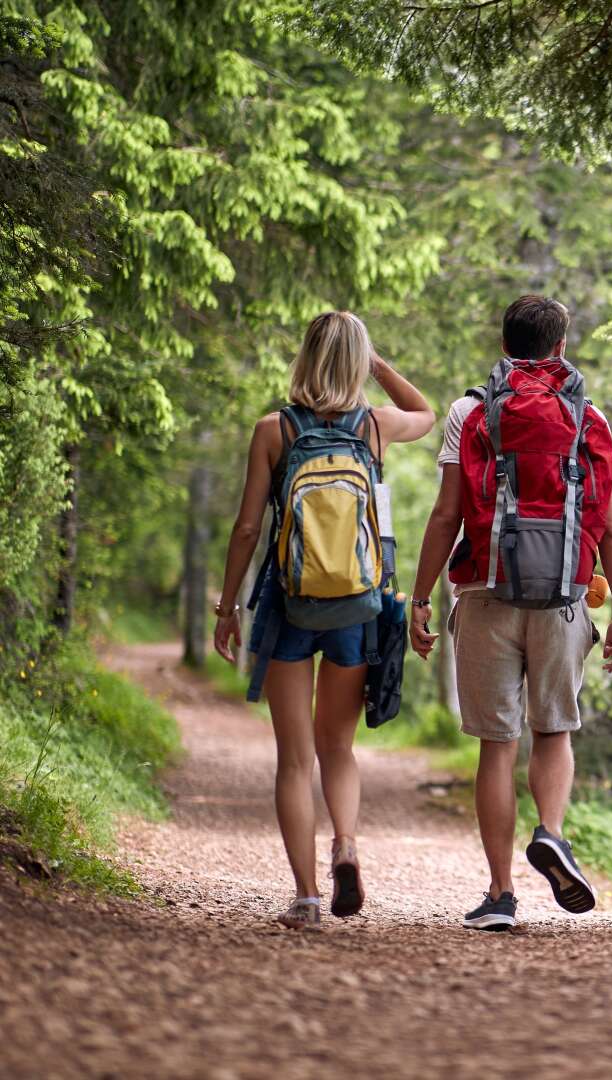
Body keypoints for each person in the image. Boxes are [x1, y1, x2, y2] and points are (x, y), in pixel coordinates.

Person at [409, 295, 612, 931]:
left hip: (484, 594)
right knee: (553, 730)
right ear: (560, 349)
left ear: (504, 344)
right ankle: (553, 833)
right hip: (564, 596)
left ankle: (501, 893)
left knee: (495, 745)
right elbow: (611, 527)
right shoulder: (589, 416)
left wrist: (420, 597)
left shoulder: (469, 412)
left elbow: (447, 513)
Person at [213, 311, 435, 929]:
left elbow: (248, 528)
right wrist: (378, 365)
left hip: (289, 605)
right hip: (357, 607)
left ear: (304, 358)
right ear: (357, 362)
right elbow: (427, 412)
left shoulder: (273, 430)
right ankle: (346, 843)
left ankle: (307, 899)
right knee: (338, 747)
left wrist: (228, 608)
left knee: (294, 759)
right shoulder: (375, 426)